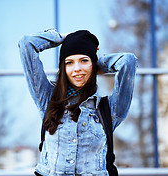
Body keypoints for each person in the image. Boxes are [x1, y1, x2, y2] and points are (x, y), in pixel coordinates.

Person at [18, 28, 137, 176]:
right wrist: (63, 37)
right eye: (69, 63)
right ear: (63, 67)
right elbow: (27, 44)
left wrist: (96, 64)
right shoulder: (47, 98)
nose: (77, 69)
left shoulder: (109, 110)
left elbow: (128, 61)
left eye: (84, 61)